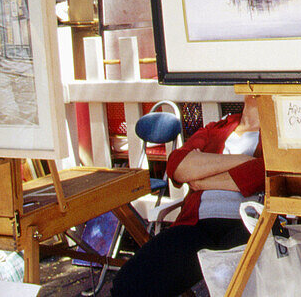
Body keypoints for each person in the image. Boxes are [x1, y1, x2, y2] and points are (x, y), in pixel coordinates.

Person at [111, 96, 264, 297]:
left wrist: (202, 177)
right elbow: (176, 164)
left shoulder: (276, 136)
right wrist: (243, 160)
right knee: (129, 284)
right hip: (196, 224)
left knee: (240, 288)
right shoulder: (216, 128)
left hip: (247, 226)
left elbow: (265, 171)